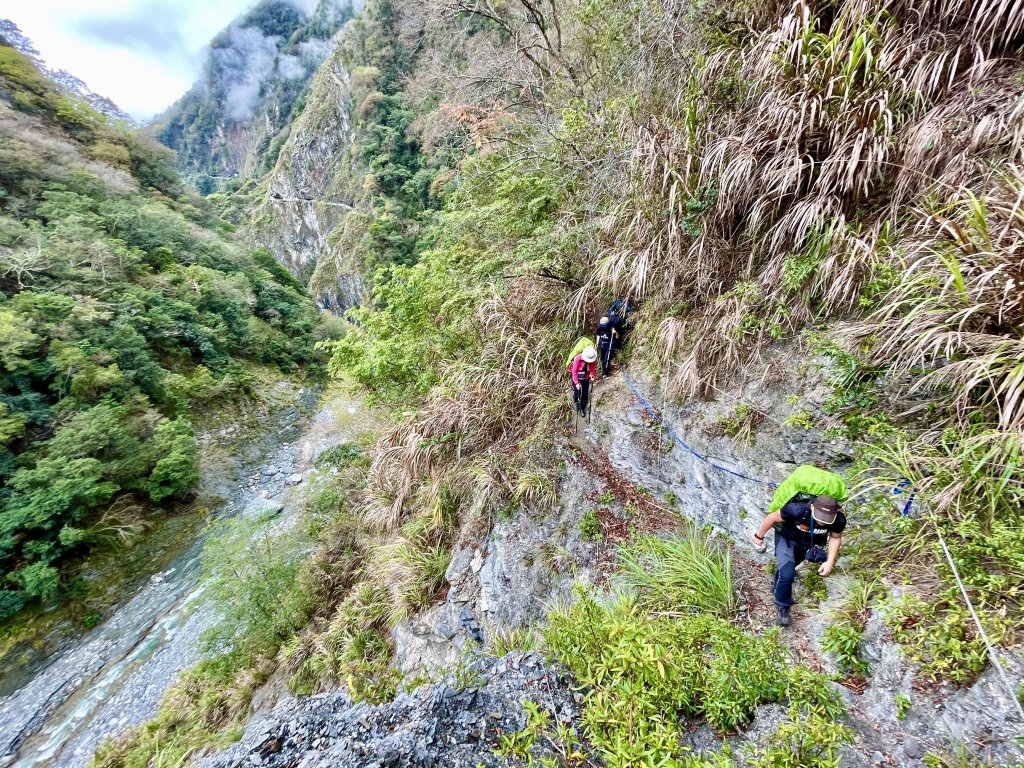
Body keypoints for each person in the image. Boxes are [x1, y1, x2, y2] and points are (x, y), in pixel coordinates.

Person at [751, 465, 849, 626]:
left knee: (786, 572)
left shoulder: (839, 520)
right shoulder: (796, 509)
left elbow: (835, 538)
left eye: (826, 519)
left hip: (808, 545)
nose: (822, 521)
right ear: (812, 506)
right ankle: (783, 607)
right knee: (788, 574)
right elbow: (772, 518)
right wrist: (758, 536)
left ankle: (777, 582)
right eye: (819, 517)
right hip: (787, 539)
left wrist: (830, 561)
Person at [569, 345, 598, 415]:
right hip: (577, 377)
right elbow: (574, 371)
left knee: (585, 393)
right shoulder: (578, 358)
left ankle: (582, 407)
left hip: (586, 377)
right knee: (577, 392)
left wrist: (592, 375)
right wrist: (576, 383)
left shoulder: (593, 358)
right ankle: (576, 401)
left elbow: (593, 368)